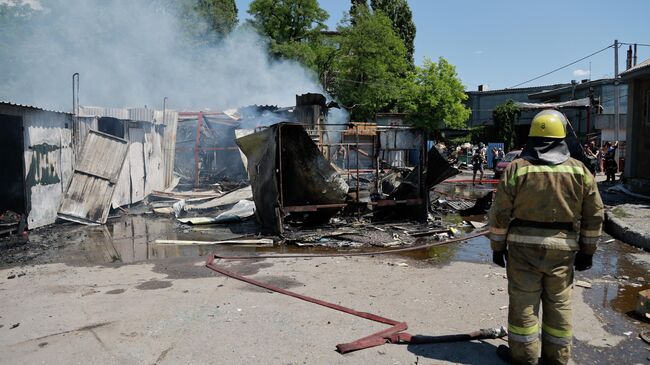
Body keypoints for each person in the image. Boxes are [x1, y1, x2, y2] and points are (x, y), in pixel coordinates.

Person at [489, 109, 604, 365]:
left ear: (531, 139)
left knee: (523, 305)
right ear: (562, 138)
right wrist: (588, 251)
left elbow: (500, 213)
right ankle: (557, 358)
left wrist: (497, 248)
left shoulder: (517, 169)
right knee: (559, 303)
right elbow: (594, 215)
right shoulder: (580, 171)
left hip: (522, 249)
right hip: (562, 250)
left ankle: (524, 357)